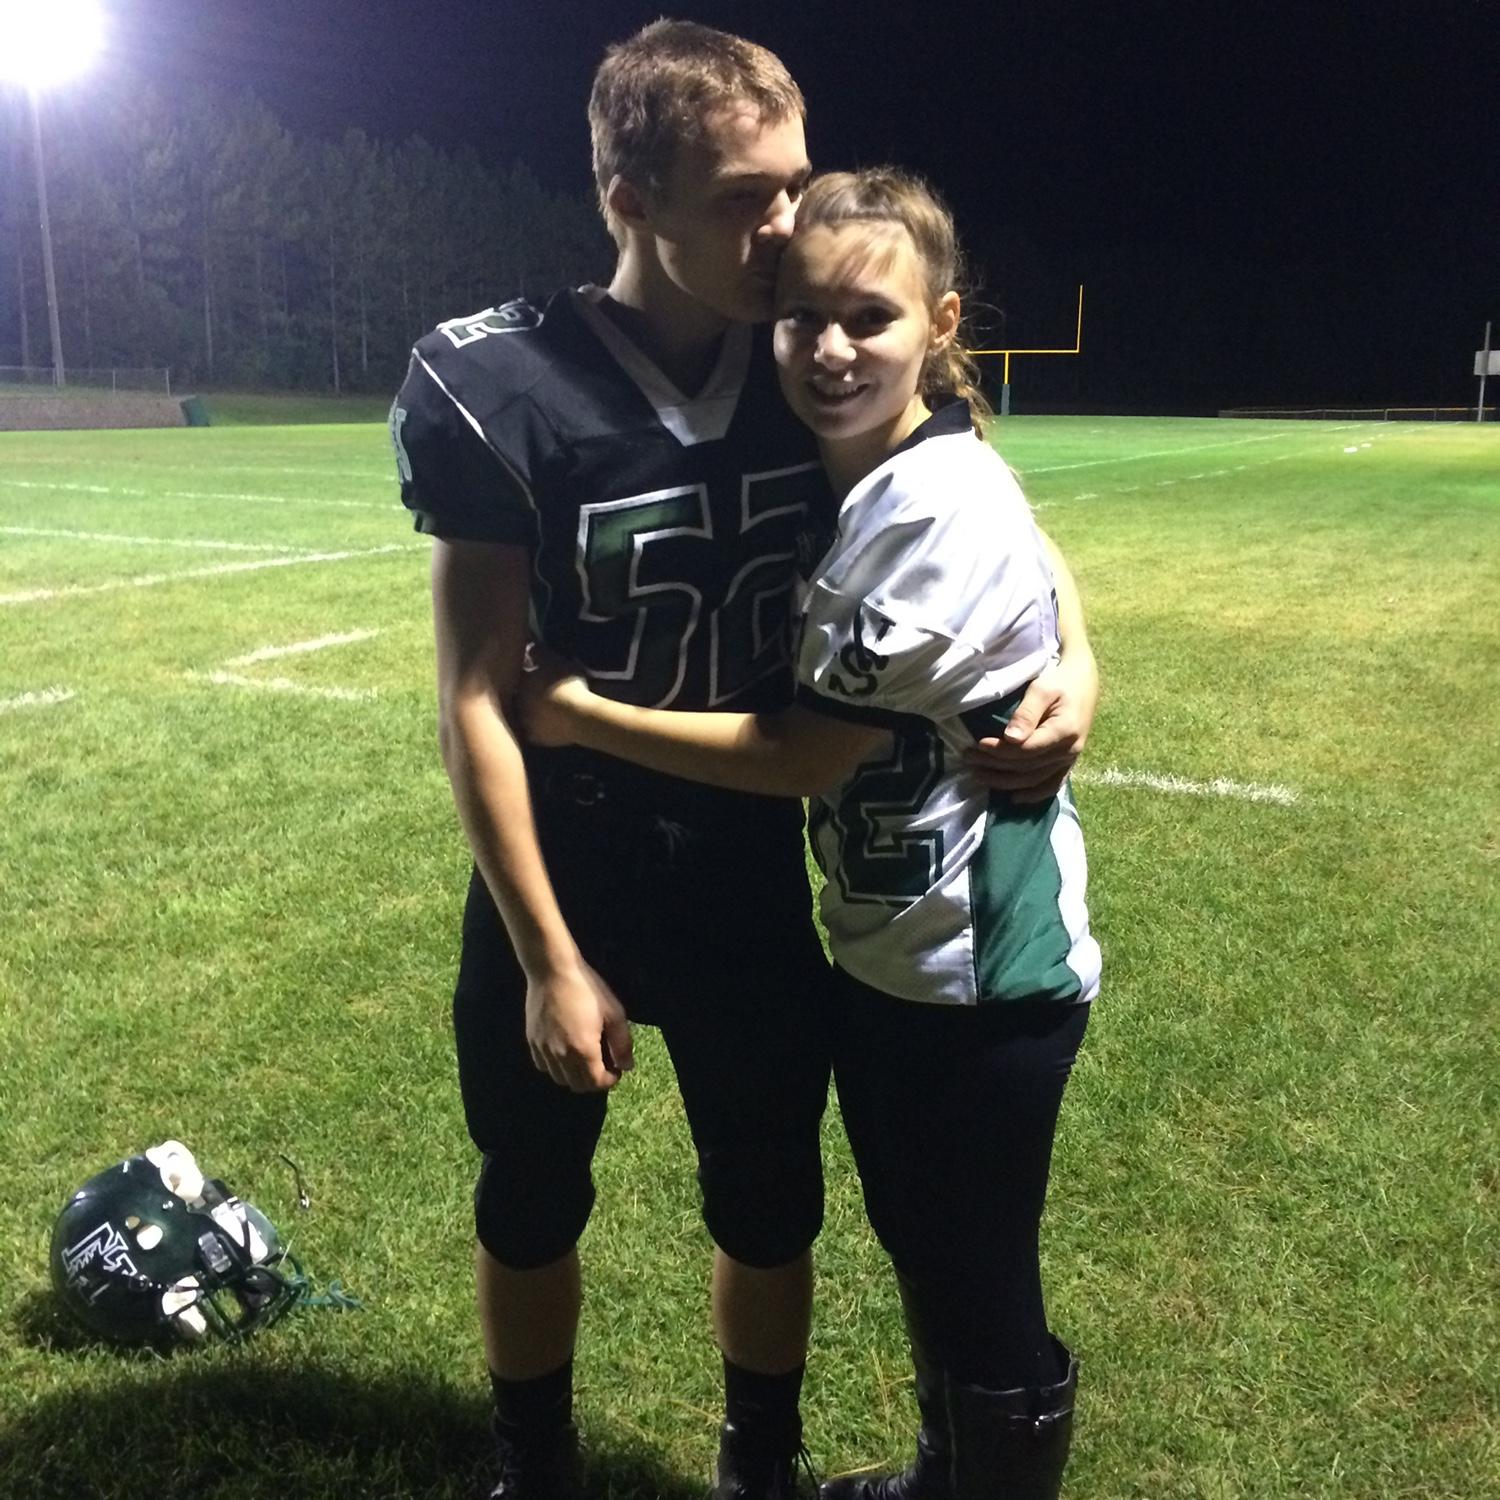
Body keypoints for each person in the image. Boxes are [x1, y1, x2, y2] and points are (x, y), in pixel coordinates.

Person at [390, 20, 1097, 1499]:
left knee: (772, 1203)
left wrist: (1080, 658)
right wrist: (548, 956)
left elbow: (983, 498)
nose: (787, 225)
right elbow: (477, 698)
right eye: (744, 196)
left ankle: (758, 1467)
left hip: (744, 858)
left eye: (794, 181)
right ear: (627, 200)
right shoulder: (499, 378)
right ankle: (533, 1461)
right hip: (566, 845)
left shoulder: (807, 352)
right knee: (530, 1195)